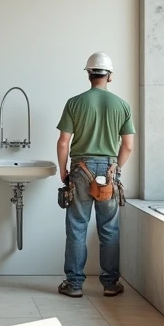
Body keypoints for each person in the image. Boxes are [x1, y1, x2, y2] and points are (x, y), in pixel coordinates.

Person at [56, 52, 135, 298]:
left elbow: (63, 142)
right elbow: (128, 146)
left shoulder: (74, 103)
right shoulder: (122, 105)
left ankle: (74, 284)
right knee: (109, 229)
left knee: (77, 227)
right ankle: (110, 284)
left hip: (80, 169)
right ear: (109, 76)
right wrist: (115, 168)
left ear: (89, 74)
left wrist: (63, 170)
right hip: (109, 170)